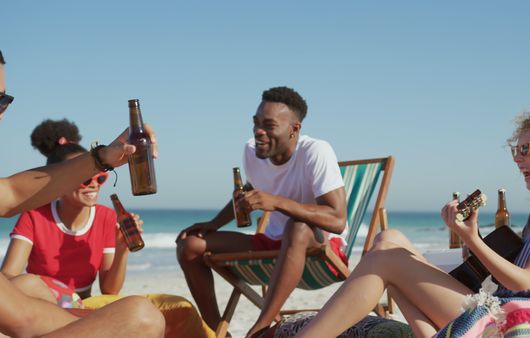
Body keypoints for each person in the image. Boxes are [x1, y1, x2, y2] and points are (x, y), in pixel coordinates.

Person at [297, 104, 530, 338]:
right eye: (515, 150)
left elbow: (526, 282)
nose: (517, 158)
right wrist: (470, 241)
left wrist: (470, 238)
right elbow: (503, 278)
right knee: (389, 240)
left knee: (384, 262)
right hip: (507, 307)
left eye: (526, 149)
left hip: (527, 323)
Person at [0, 49, 165, 337]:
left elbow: (10, 193)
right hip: (36, 300)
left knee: (140, 317)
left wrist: (103, 157)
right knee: (140, 318)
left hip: (43, 307)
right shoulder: (36, 217)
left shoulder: (103, 216)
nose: (1, 113)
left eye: (4, 100)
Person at [176, 86, 347, 337]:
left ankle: (261, 327)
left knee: (297, 227)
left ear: (294, 129)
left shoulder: (315, 152)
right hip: (273, 245)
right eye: (256, 123)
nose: (258, 131)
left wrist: (277, 202)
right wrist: (215, 223)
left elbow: (337, 219)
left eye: (269, 125)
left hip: (321, 251)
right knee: (190, 245)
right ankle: (215, 332)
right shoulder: (252, 152)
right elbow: (250, 189)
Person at [2, 123, 142, 300]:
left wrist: (122, 249)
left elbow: (110, 290)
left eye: (100, 177)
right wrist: (60, 295)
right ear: (59, 183)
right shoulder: (34, 215)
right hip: (42, 307)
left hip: (82, 309)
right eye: (84, 179)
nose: (93, 184)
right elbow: (7, 277)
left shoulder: (106, 217)